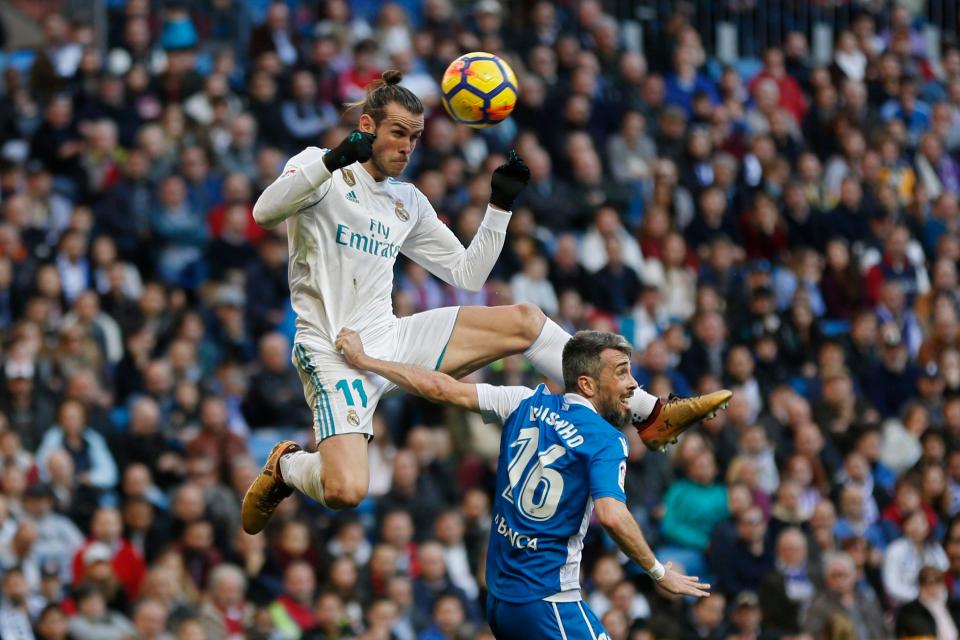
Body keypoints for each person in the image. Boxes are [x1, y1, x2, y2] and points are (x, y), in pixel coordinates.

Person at [242, 69, 732, 533]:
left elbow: (467, 273)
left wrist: (499, 206)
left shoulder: (405, 200)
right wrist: (333, 158)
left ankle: (649, 413)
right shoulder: (316, 165)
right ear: (366, 126)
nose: (408, 147)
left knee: (525, 320)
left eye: (415, 137)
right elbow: (265, 211)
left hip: (388, 338)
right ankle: (286, 466)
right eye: (398, 134)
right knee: (346, 490)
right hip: (332, 351)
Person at [335, 327, 710, 637]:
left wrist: (366, 361)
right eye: (622, 372)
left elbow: (438, 387)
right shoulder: (606, 441)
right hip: (548, 602)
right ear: (588, 384)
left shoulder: (523, 401)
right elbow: (611, 515)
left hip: (499, 599)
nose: (633, 385)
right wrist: (658, 572)